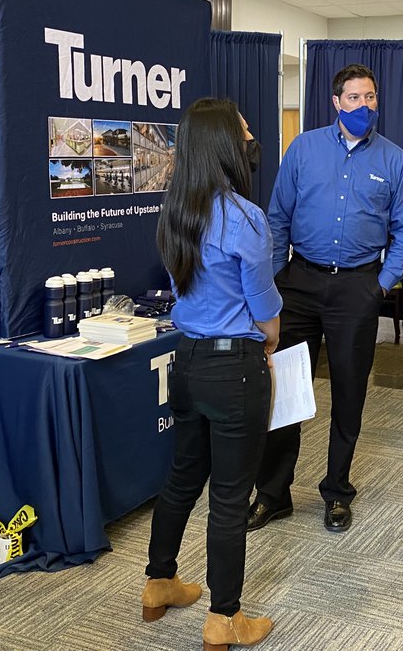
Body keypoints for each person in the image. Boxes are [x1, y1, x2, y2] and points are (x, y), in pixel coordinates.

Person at [248, 64, 403, 534]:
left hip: (358, 288)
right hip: (300, 282)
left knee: (349, 393)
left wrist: (380, 285)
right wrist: (280, 277)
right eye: (355, 97)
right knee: (283, 390)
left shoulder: (394, 160)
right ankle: (272, 494)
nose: (364, 105)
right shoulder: (303, 149)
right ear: (336, 102)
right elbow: (278, 215)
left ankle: (337, 491)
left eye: (371, 97)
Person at [142, 98, 281, 651]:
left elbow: (182, 291)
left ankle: (158, 583)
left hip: (189, 361)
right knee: (229, 495)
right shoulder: (247, 218)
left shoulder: (175, 213)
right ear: (225, 145)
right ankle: (225, 619)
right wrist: (269, 339)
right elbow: (265, 308)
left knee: (181, 478)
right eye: (244, 130)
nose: (250, 137)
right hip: (236, 369)